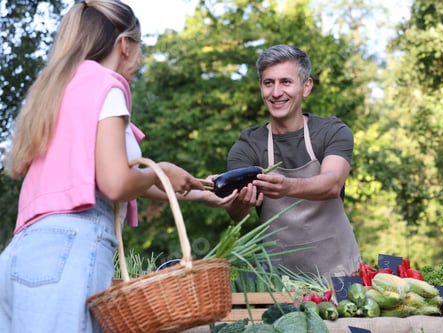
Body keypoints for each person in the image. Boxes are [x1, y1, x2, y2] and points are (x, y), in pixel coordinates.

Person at [0, 1, 234, 332]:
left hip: (22, 254)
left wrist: (199, 192)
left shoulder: (60, 89)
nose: (140, 60)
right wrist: (161, 170)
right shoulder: (107, 86)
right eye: (140, 48)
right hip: (69, 250)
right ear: (124, 44)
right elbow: (115, 183)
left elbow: (108, 177)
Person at [225, 44, 361, 278]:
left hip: (340, 274)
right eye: (269, 83)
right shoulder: (248, 144)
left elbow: (332, 184)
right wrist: (241, 202)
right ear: (261, 88)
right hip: (280, 282)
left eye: (286, 82)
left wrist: (288, 187)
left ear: (306, 87)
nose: (276, 92)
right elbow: (236, 213)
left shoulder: (331, 131)